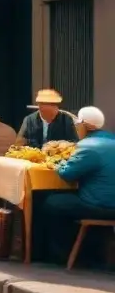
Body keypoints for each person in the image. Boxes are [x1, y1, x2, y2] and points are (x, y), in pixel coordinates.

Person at [39, 106, 115, 262]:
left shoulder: (88, 146)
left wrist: (58, 163)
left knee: (51, 201)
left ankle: (63, 255)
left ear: (83, 125)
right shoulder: (111, 141)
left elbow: (68, 174)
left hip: (100, 206)